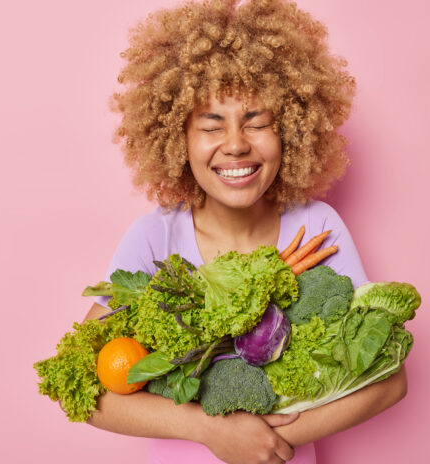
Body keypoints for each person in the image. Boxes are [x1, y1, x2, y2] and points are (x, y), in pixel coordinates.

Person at [81, 1, 408, 463]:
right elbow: (83, 387)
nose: (235, 144)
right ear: (176, 139)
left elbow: (390, 379)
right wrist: (208, 430)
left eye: (258, 121)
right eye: (211, 125)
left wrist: (268, 439)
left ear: (292, 131)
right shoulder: (153, 240)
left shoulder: (317, 227)